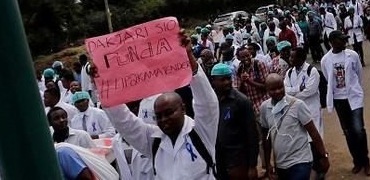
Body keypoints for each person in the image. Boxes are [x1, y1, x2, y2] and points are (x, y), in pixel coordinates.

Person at [102, 32, 219, 180]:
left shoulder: (201, 133)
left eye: (169, 113)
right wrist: (104, 83)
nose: (164, 120)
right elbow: (124, 122)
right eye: (158, 116)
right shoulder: (153, 141)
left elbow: (207, 102)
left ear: (183, 109)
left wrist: (189, 58)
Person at [320, 31, 370, 176]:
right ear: (332, 42)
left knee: (359, 130)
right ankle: (357, 161)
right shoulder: (325, 60)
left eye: (345, 40)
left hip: (354, 98)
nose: (344, 43)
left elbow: (359, 75)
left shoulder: (352, 55)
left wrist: (355, 90)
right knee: (348, 132)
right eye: (341, 40)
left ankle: (366, 162)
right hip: (339, 100)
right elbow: (327, 77)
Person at [260, 74, 329, 180]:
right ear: (267, 90)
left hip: (301, 161)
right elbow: (266, 138)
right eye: (273, 89)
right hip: (280, 164)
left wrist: (323, 156)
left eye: (280, 87)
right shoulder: (264, 108)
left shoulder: (298, 105)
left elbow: (313, 132)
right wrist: (268, 163)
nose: (278, 91)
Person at [210, 63, 259, 180]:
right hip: (217, 160)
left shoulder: (242, 101)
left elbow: (252, 135)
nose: (227, 82)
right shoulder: (210, 101)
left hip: (238, 161)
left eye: (229, 78)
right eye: (223, 79)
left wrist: (252, 166)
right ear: (213, 81)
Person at [283, 48, 326, 179]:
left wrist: (293, 94)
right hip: (296, 110)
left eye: (292, 57)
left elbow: (310, 91)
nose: (289, 59)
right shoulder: (289, 72)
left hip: (311, 109)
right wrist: (297, 89)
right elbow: (285, 89)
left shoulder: (311, 71)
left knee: (314, 138)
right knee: (303, 140)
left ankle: (320, 167)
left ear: (300, 58)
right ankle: (311, 166)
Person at [233, 46, 270, 117]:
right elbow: (239, 92)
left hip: (263, 102)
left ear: (250, 55)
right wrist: (242, 81)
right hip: (250, 106)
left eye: (247, 56)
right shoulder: (239, 70)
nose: (246, 58)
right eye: (243, 57)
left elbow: (267, 87)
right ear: (239, 59)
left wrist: (249, 81)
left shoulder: (259, 64)